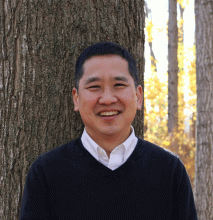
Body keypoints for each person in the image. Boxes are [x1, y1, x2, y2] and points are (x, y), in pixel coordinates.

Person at [19, 42, 198, 219]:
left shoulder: (170, 171)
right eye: (94, 87)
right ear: (76, 98)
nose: (107, 99)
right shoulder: (46, 173)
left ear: (138, 96)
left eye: (119, 85)